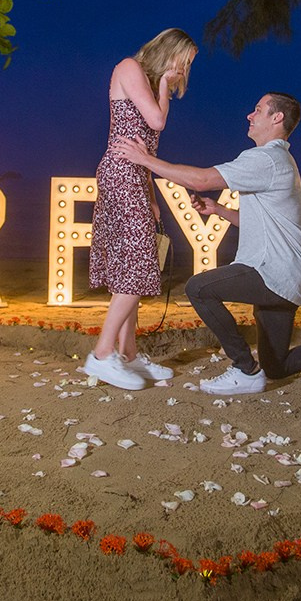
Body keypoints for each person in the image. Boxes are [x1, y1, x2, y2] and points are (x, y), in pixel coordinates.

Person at [111, 92, 301, 395]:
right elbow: (261, 222)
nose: (250, 115)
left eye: (258, 110)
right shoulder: (280, 161)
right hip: (288, 278)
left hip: (272, 271)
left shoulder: (266, 158)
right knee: (277, 366)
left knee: (198, 288)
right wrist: (218, 210)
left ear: (277, 118)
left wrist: (145, 160)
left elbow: (202, 180)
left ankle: (244, 368)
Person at [83, 29, 198, 391]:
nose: (185, 68)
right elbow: (156, 123)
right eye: (185, 59)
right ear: (169, 52)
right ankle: (102, 354)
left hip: (134, 176)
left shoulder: (145, 82)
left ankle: (129, 356)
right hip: (119, 173)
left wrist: (150, 195)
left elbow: (144, 149)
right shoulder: (130, 67)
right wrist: (164, 86)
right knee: (136, 265)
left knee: (130, 266)